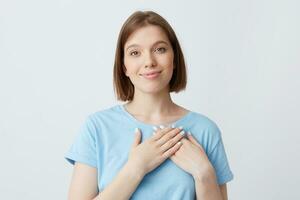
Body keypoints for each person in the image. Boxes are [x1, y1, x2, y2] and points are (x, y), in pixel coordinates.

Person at [65, 10, 234, 200]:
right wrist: (136, 168)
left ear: (175, 58)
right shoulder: (97, 128)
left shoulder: (205, 130)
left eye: (159, 49)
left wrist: (204, 174)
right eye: (135, 53)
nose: (149, 62)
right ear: (124, 66)